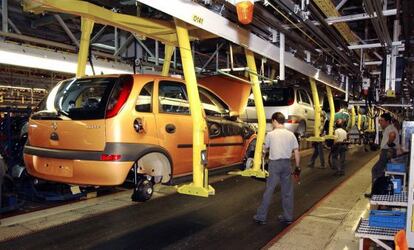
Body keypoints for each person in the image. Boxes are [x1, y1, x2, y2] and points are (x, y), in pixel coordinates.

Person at [253, 112, 301, 225]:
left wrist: (260, 158)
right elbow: (296, 152)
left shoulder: (270, 134)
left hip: (274, 165)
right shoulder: (291, 134)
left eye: (272, 122)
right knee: (287, 191)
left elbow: (264, 150)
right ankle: (288, 216)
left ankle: (261, 216)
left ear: (274, 121)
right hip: (287, 164)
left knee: (269, 190)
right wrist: (298, 167)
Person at [365, 113, 399, 198]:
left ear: (387, 121)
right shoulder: (389, 128)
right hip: (387, 152)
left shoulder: (390, 128)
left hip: (386, 152)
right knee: (381, 172)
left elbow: (392, 135)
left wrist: (389, 143)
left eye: (381, 121)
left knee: (375, 170)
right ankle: (380, 190)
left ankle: (376, 192)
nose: (380, 122)